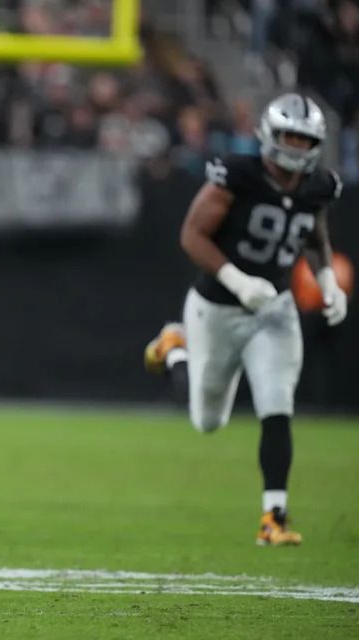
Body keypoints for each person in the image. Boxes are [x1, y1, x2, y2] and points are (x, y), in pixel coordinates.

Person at [144, 93, 348, 546]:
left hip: (273, 311)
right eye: (289, 136)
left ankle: (273, 517)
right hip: (217, 306)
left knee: (277, 405)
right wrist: (237, 280)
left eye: (305, 139)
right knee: (208, 420)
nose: (295, 147)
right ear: (269, 135)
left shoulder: (318, 186)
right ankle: (176, 347)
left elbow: (314, 237)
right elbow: (192, 235)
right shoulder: (238, 175)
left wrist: (328, 279)